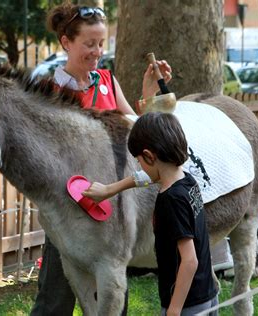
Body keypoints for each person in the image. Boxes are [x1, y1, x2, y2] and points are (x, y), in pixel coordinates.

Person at [31, 3, 171, 315]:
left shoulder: (107, 80)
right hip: (68, 213)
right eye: (89, 44)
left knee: (112, 295)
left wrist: (150, 92)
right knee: (54, 301)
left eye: (101, 43)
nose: (97, 52)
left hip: (113, 207)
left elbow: (137, 130)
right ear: (67, 42)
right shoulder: (48, 92)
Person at [83, 112, 219, 316]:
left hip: (187, 303)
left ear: (149, 156)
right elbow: (144, 177)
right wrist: (109, 190)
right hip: (206, 292)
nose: (139, 166)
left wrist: (174, 309)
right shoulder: (187, 180)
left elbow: (190, 261)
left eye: (139, 160)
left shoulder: (171, 200)